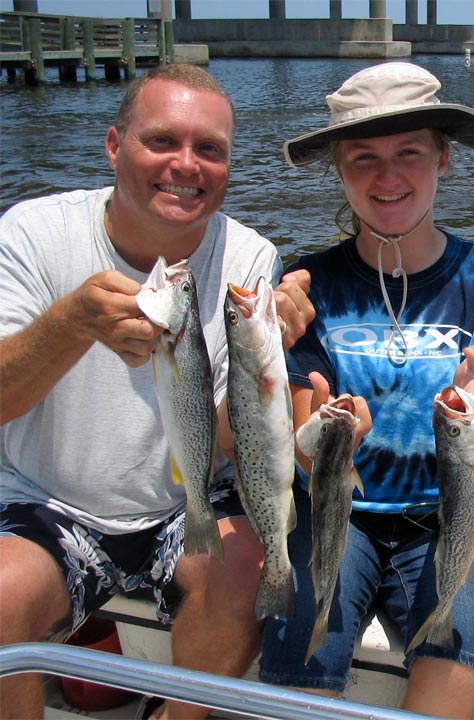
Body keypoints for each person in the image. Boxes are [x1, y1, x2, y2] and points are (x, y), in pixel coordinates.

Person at [0, 64, 314, 720]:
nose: (186, 165)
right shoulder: (31, 234)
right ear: (115, 146)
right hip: (50, 502)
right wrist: (72, 324)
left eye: (210, 150)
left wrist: (268, 361)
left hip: (185, 499)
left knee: (248, 568)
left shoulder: (249, 257)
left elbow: (231, 437)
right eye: (162, 141)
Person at [258, 62, 474, 719]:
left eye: (409, 154)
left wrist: (473, 407)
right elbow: (300, 443)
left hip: (449, 515)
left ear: (444, 159)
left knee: (462, 633)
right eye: (362, 159)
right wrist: (325, 433)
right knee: (301, 629)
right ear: (338, 171)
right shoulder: (305, 282)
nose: (387, 178)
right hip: (334, 513)